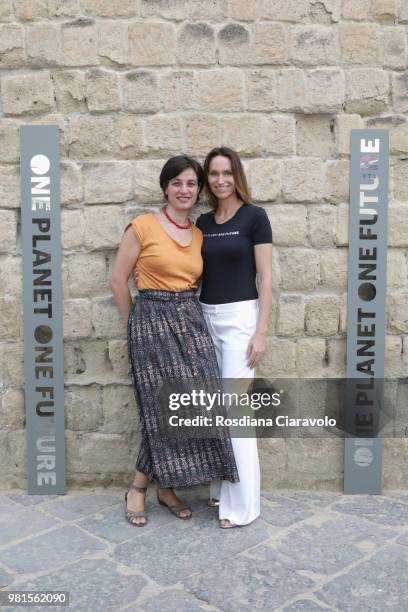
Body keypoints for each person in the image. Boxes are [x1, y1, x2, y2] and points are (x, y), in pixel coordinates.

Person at [110, 155, 239, 527]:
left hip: (190, 318)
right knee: (159, 408)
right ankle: (140, 488)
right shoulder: (142, 227)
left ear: (198, 191)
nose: (184, 190)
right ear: (165, 187)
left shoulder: (199, 234)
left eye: (191, 184)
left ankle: (163, 487)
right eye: (177, 183)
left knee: (193, 403)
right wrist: (133, 325)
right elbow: (118, 281)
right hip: (151, 319)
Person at [196, 146, 273, 528]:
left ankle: (243, 506)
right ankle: (219, 491)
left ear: (236, 174)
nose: (221, 180)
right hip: (205, 316)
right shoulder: (204, 222)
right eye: (214, 174)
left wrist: (261, 331)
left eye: (227, 173)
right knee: (213, 408)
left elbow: (267, 278)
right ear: (207, 179)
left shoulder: (255, 217)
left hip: (241, 319)